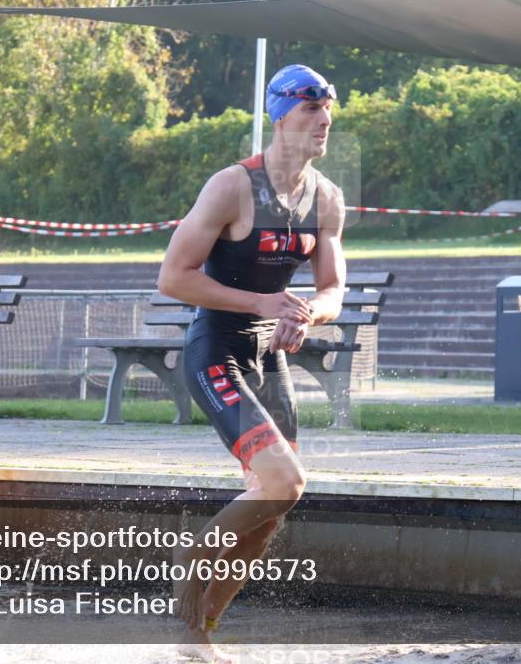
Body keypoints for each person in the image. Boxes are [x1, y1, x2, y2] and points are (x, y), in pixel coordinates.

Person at [158, 64, 347, 662]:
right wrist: (261, 302)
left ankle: (199, 637)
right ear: (280, 116)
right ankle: (190, 564)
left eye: (328, 113)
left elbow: (333, 289)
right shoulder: (232, 187)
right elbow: (173, 278)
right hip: (215, 349)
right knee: (287, 480)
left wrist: (305, 315)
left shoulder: (327, 198)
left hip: (268, 356)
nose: (323, 122)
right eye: (311, 111)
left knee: (270, 509)